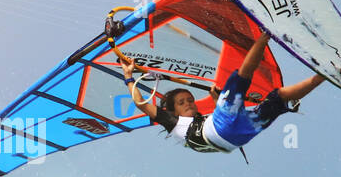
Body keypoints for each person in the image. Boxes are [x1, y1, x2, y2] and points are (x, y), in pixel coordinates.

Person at [121, 31, 324, 153]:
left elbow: (226, 114)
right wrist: (129, 77)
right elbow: (140, 103)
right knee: (240, 78)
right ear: (173, 111)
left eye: (189, 100)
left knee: (278, 97)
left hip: (237, 137)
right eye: (182, 103)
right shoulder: (170, 122)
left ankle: (322, 76)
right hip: (220, 132)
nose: (189, 103)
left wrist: (218, 100)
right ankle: (265, 34)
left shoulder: (199, 121)